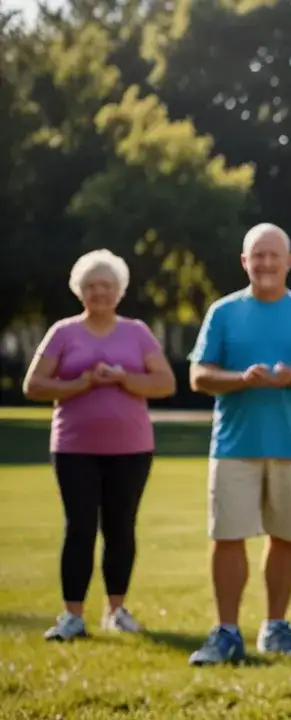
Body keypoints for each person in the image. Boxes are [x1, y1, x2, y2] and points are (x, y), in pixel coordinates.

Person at [187, 223, 291, 665]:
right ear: (244, 261)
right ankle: (227, 631)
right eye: (258, 255)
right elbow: (198, 376)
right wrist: (239, 379)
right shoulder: (224, 312)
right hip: (235, 445)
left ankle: (276, 628)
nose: (266, 263)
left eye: (274, 255)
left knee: (287, 537)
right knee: (228, 536)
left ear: (289, 262)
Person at [22, 249, 176, 641]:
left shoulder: (137, 332)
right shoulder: (63, 332)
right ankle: (72, 616)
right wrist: (80, 384)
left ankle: (116, 610)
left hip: (131, 448)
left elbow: (165, 384)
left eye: (106, 285)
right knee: (80, 529)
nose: (99, 293)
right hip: (75, 448)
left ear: (119, 291)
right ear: (80, 291)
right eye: (91, 286)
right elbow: (33, 385)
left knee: (121, 528)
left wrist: (125, 378)